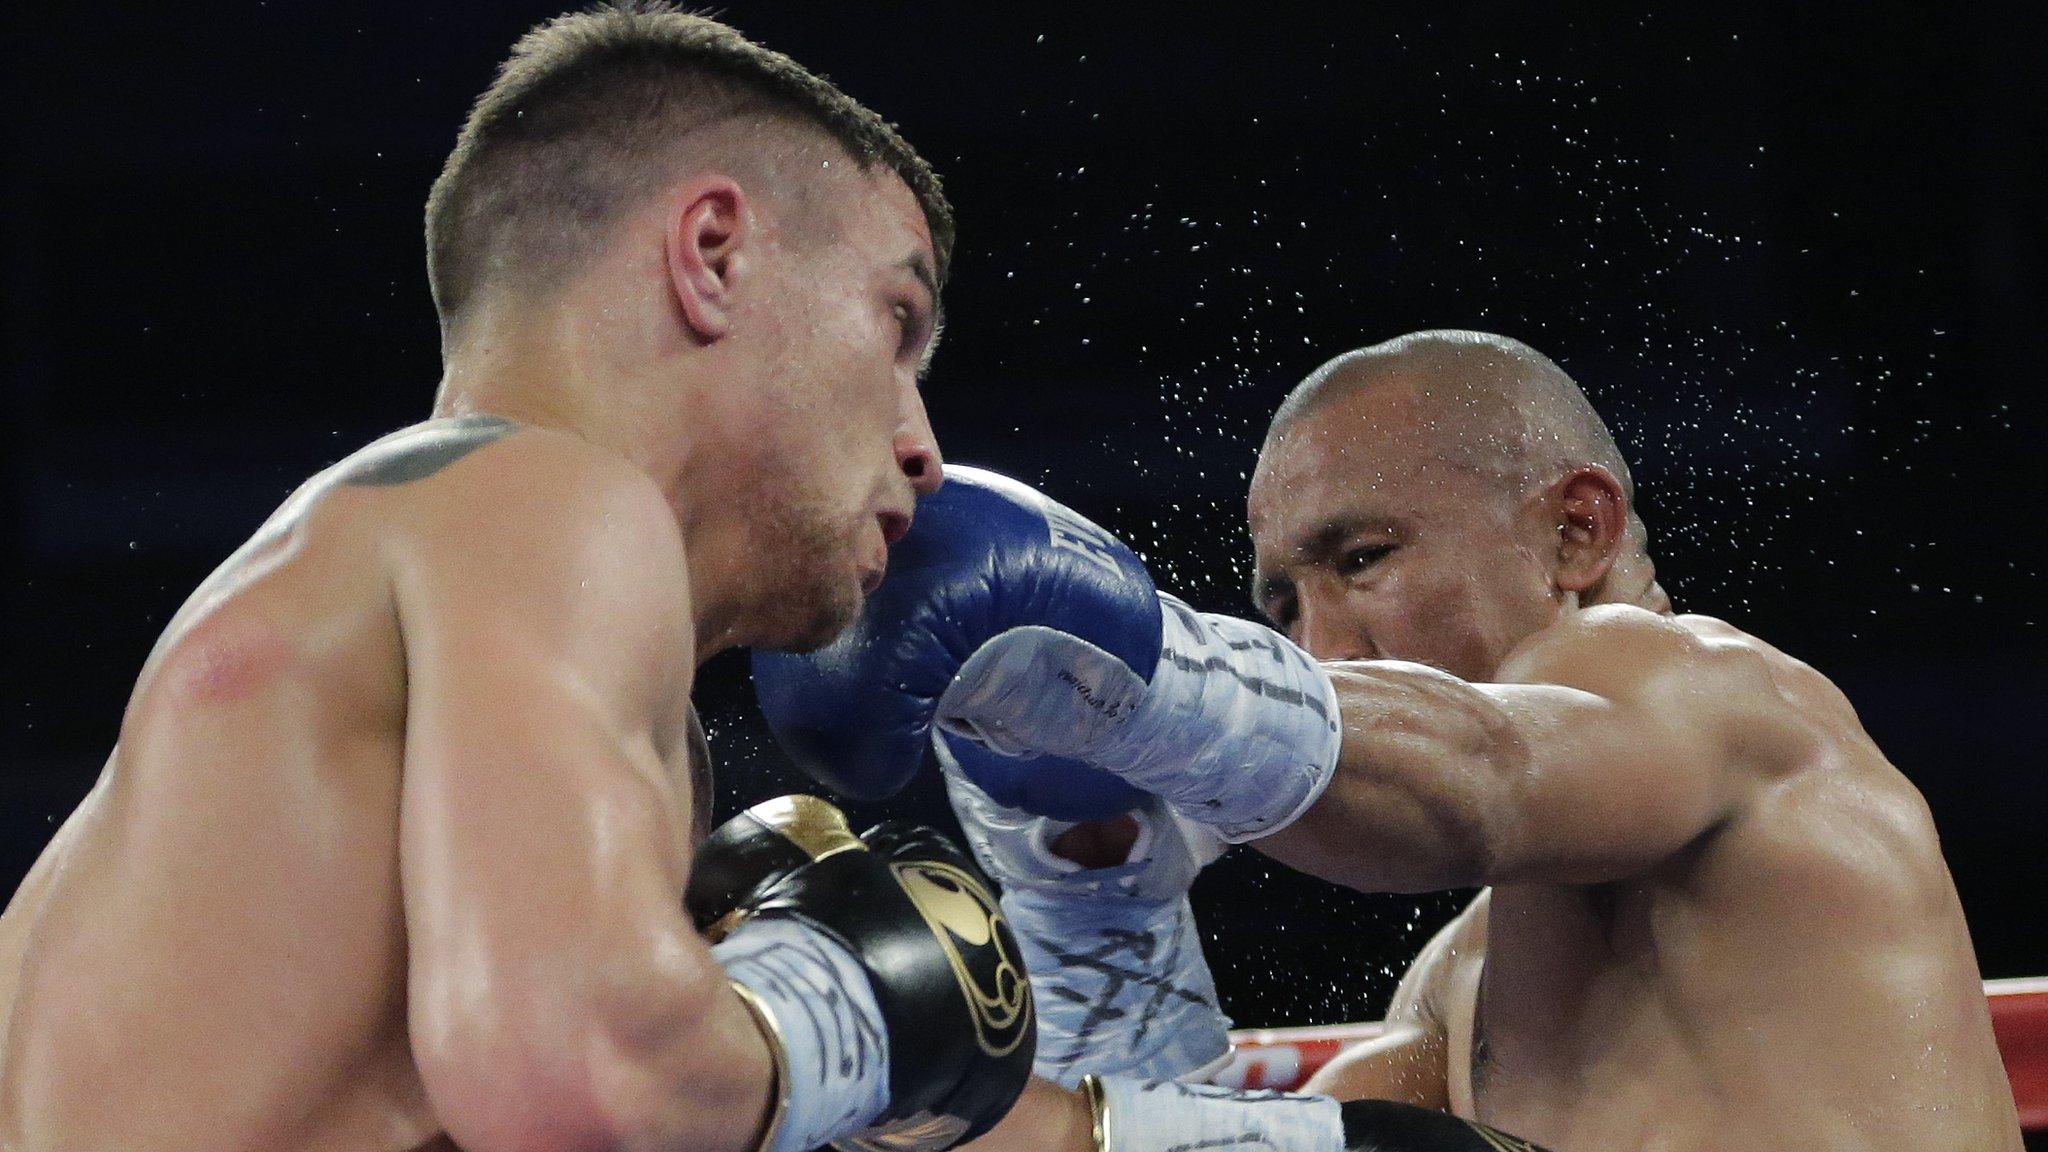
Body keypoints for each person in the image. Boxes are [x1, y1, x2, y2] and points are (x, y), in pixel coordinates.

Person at [0, 7, 1037, 1152]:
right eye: (897, 322)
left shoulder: (433, 583)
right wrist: (841, 1010)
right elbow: (577, 1076)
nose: (923, 447)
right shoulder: (542, 501)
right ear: (712, 255)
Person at [753, 330, 2022, 1149]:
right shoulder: (1459, 985)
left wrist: (1148, 676)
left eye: (1361, 560)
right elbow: (1170, 1140)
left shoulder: (1713, 691)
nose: (1317, 643)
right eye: (1279, 607)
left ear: (1576, 533)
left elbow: (1480, 775)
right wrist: (1080, 891)